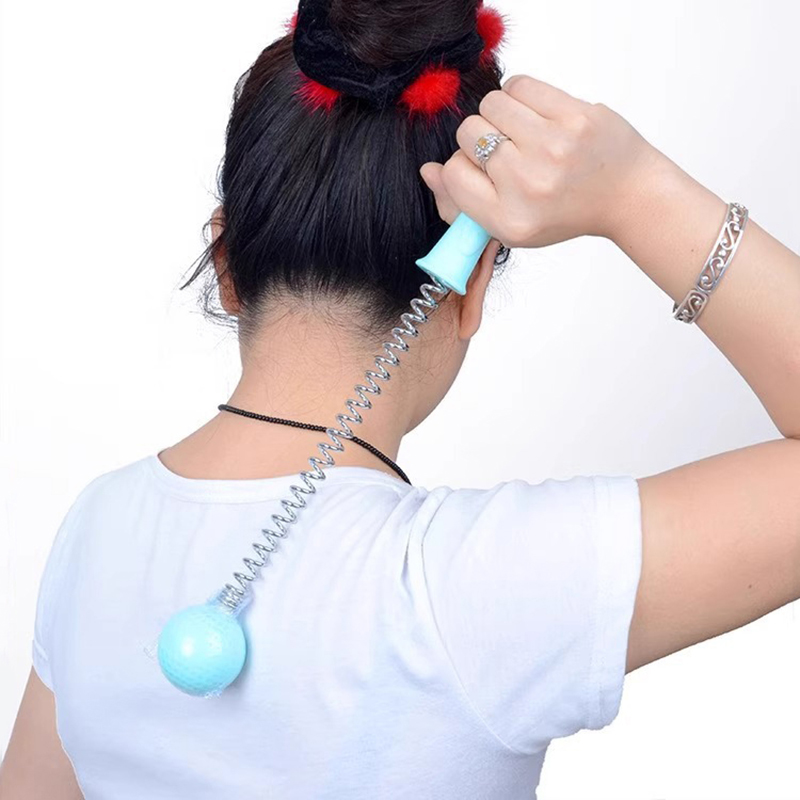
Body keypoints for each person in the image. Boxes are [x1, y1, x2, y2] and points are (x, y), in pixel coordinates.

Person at [2, 0, 799, 798]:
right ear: (469, 285)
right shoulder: (477, 586)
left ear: (225, 263)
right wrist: (635, 192)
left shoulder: (94, 530)